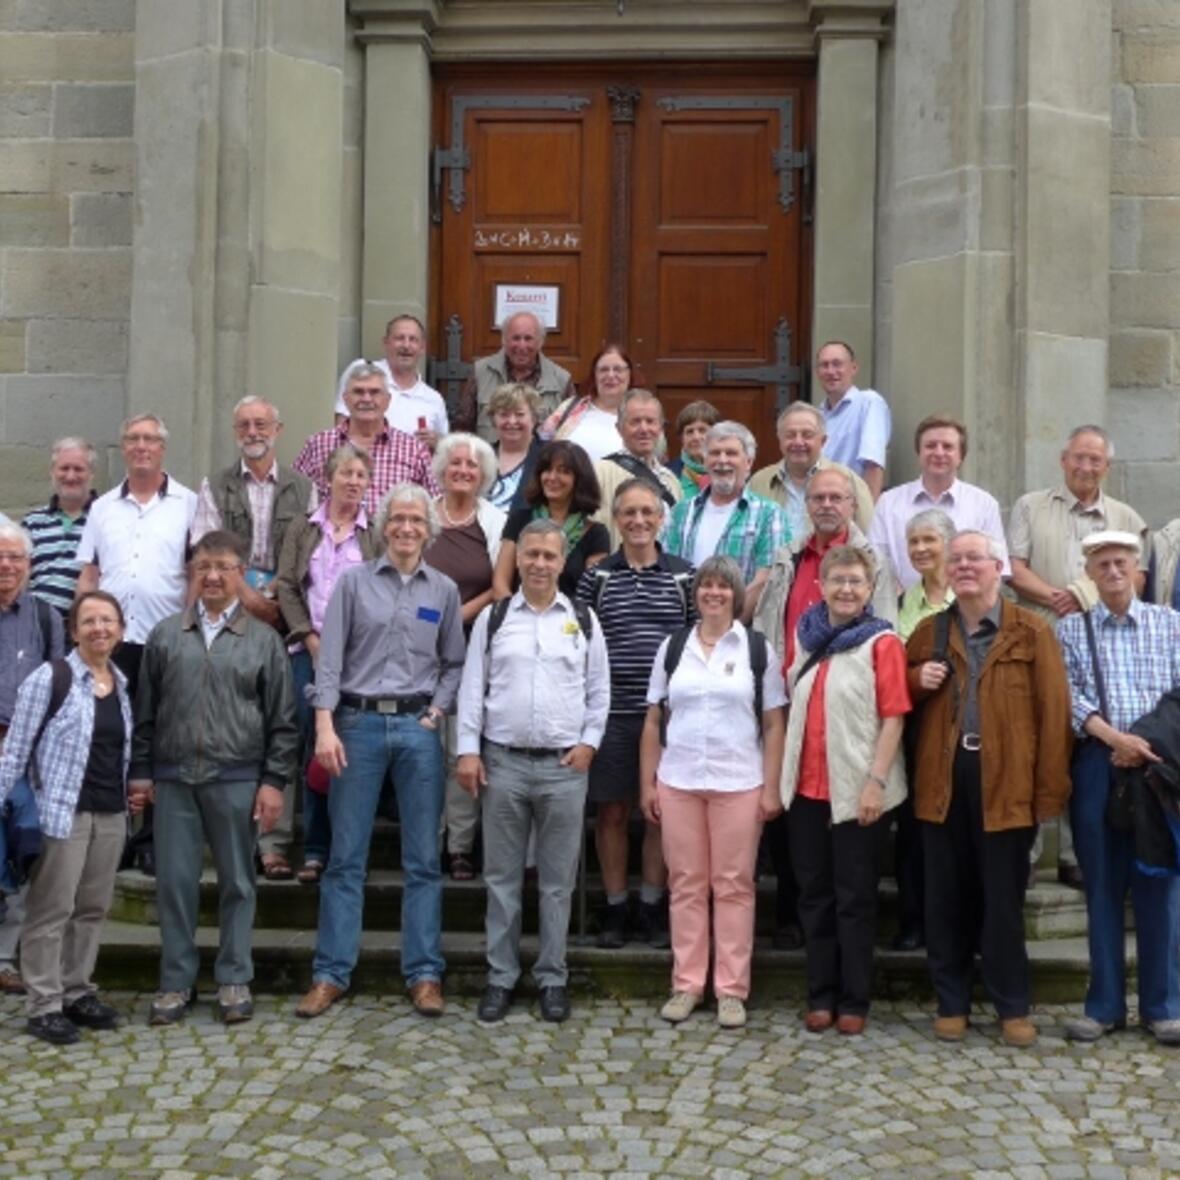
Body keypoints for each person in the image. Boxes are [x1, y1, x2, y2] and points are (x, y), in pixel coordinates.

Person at [296, 485, 464, 1021]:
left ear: (428, 530)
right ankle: (330, 973)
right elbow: (329, 660)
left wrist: (437, 711)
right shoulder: (353, 583)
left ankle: (425, 974)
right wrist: (325, 725)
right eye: (398, 518)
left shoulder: (444, 590)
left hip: (417, 729)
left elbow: (454, 662)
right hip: (357, 724)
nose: (407, 527)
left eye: (417, 519)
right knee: (346, 858)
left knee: (423, 860)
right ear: (385, 525)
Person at [906, 530, 1071, 1048]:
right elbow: (896, 701)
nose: (963, 566)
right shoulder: (930, 632)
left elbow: (1054, 715)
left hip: (1007, 784)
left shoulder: (1031, 631)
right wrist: (915, 680)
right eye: (956, 559)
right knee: (945, 900)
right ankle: (951, 1002)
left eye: (974, 558)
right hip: (942, 782)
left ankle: (1012, 1006)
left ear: (997, 567)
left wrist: (1048, 795)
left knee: (1002, 902)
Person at [132, 530, 297, 1026]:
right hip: (175, 778)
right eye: (204, 566)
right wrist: (141, 772)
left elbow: (283, 721)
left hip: (237, 776)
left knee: (238, 883)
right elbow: (145, 712)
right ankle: (175, 981)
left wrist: (273, 781)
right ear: (192, 573)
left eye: (224, 567)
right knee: (174, 884)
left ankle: (234, 977)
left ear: (241, 573)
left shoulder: (263, 640)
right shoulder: (165, 635)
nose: (213, 576)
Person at [456, 519, 609, 1024]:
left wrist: (589, 743)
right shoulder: (495, 618)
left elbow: (599, 691)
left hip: (564, 767)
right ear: (517, 559)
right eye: (532, 555)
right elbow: (472, 687)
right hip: (503, 762)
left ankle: (552, 977)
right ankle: (500, 977)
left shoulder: (583, 619)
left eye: (549, 555)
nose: (540, 564)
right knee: (501, 878)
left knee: (557, 882)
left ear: (563, 562)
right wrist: (468, 751)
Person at [640, 557, 786, 1029]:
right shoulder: (673, 646)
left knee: (734, 885)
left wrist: (771, 787)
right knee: (685, 883)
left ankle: (731, 989)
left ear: (737, 594)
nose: (714, 593)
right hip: (679, 779)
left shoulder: (757, 650)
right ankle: (687, 984)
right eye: (707, 585)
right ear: (696, 592)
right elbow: (654, 720)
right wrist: (647, 782)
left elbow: (773, 724)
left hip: (738, 782)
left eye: (724, 586)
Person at [753, 466, 895, 950]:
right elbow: (770, 621)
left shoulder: (873, 561)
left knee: (845, 841)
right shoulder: (788, 556)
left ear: (853, 504)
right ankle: (792, 916)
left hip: (849, 707)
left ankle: (841, 945)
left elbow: (885, 630)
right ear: (807, 505)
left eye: (837, 497)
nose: (827, 505)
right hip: (790, 702)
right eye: (818, 498)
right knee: (793, 816)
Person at [1008, 426, 1148, 890]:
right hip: (1037, 643)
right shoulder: (1030, 506)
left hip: (1100, 652)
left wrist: (1084, 595)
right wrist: (1058, 597)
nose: (1086, 467)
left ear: (1107, 467)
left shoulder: (1126, 517)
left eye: (1095, 460)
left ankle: (1073, 856)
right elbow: (1014, 568)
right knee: (1034, 744)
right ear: (1063, 459)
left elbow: (1138, 579)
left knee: (1082, 746)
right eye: (1078, 457)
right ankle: (1028, 852)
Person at [1057, 531, 1180, 1046]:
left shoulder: (1171, 624)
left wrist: (1143, 742)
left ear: (1137, 571)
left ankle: (1164, 1007)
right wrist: (1114, 738)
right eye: (1102, 564)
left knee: (1161, 883)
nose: (1112, 572)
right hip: (1098, 764)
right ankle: (1103, 1006)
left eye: (1120, 563)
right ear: (1088, 572)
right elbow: (1068, 696)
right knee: (1102, 886)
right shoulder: (1071, 630)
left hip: (1158, 767)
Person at [781, 546, 909, 1036]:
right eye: (838, 580)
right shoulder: (805, 635)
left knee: (854, 898)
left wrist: (875, 782)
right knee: (814, 896)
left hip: (859, 789)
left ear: (870, 588)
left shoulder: (882, 642)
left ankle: (854, 999)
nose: (847, 590)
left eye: (856, 581)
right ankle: (820, 995)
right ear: (822, 586)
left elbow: (894, 717)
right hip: (807, 787)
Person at [0, 590, 132, 1044]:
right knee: (51, 910)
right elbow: (16, 750)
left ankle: (77, 991)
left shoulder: (122, 684)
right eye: (89, 621)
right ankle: (44, 1004)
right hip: (62, 813)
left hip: (110, 812)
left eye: (107, 620)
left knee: (92, 909)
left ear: (121, 630)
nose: (99, 628)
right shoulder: (50, 678)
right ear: (73, 631)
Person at [75, 413, 197, 876]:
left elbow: (195, 572)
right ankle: (118, 835)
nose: (141, 446)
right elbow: (90, 573)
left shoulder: (188, 503)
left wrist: (187, 627)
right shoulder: (103, 507)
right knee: (113, 735)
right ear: (123, 447)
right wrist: (81, 630)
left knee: (161, 738)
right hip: (112, 643)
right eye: (133, 439)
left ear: (162, 448)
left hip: (165, 638)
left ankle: (152, 839)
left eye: (150, 439)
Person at [576, 479, 694, 949]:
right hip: (612, 714)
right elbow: (581, 642)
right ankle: (615, 907)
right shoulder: (598, 577)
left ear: (661, 518)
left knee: (661, 814)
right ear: (616, 518)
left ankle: (650, 905)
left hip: (668, 718)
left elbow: (695, 642)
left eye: (647, 512)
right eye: (629, 512)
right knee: (612, 811)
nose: (639, 521)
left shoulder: (684, 576)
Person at [274, 444, 382, 886]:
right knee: (313, 749)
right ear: (328, 478)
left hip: (358, 659)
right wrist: (309, 637)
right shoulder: (303, 528)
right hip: (310, 652)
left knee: (353, 753)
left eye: (361, 476)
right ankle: (316, 850)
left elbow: (382, 592)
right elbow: (286, 585)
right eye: (346, 474)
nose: (353, 482)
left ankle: (349, 850)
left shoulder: (375, 534)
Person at [423, 433, 506, 881]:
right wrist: (431, 621)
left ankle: (459, 846)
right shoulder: (421, 513)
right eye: (455, 463)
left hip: (472, 648)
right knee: (423, 748)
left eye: (472, 465)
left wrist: (453, 618)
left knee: (461, 746)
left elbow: (499, 585)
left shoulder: (495, 521)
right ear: (441, 469)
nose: (463, 471)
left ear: (484, 474)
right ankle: (425, 841)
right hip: (418, 648)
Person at [0, 523, 66, 997]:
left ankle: (6, 958)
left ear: (30, 564)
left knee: (25, 848)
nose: (6, 566)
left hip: (26, 755)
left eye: (15, 558)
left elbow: (61, 689)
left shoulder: (46, 617)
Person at [190, 396, 316, 630]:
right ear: (235, 431)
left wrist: (270, 594)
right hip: (227, 604)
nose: (251, 432)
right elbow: (205, 552)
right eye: (243, 425)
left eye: (260, 424)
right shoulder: (215, 486)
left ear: (277, 429)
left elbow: (307, 555)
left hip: (285, 609)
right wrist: (248, 597)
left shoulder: (305, 489)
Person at [893, 507, 956, 950]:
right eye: (913, 541)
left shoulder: (970, 596)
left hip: (961, 727)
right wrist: (914, 678)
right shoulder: (902, 602)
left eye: (929, 540)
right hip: (914, 726)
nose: (920, 549)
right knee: (913, 830)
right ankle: (913, 921)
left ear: (949, 544)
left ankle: (953, 926)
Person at [662, 421, 790, 623]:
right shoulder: (681, 512)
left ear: (748, 462)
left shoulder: (769, 514)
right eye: (715, 453)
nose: (722, 460)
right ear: (705, 461)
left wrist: (723, 629)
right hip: (685, 630)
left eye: (731, 453)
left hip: (740, 631)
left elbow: (765, 581)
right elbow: (666, 572)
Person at [869, 414, 1009, 592]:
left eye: (948, 447)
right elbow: (875, 563)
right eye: (930, 446)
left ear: (961, 456)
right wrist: (904, 601)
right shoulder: (888, 503)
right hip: (901, 605)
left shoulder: (983, 504)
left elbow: (998, 568)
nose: (939, 453)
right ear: (919, 453)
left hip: (966, 605)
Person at [294, 361, 439, 516]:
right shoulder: (318, 445)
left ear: (387, 400)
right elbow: (293, 497)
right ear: (345, 399)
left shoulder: (414, 450)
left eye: (374, 392)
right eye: (358, 392)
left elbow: (435, 506)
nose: (366, 399)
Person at [492, 440, 610, 601]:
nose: (552, 477)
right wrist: (516, 612)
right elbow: (500, 584)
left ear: (579, 479)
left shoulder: (595, 533)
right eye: (547, 470)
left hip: (571, 615)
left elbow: (593, 592)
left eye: (563, 471)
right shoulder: (519, 519)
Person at [748, 403, 873, 540]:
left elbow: (868, 536)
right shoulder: (759, 482)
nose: (798, 442)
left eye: (807, 435)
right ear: (780, 440)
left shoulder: (849, 480)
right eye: (790, 435)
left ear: (823, 441)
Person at [455, 311, 575, 442]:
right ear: (504, 340)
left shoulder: (561, 380)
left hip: (542, 455)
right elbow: (463, 427)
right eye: (516, 338)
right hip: (490, 454)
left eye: (528, 339)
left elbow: (572, 433)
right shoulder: (481, 372)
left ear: (540, 342)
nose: (522, 346)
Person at [334, 314, 449, 451]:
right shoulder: (362, 371)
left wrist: (437, 442)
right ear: (386, 343)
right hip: (361, 462)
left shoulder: (434, 399)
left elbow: (444, 452)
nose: (406, 345)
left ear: (422, 347)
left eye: (413, 339)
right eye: (400, 338)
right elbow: (340, 429)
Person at [590, 389, 682, 550]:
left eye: (650, 421)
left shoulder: (671, 480)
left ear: (661, 428)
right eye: (635, 422)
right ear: (619, 428)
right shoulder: (600, 473)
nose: (644, 429)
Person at [22, 437, 99, 619]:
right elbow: (19, 575)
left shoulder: (105, 518)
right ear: (52, 472)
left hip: (82, 623)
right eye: (64, 468)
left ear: (91, 474)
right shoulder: (32, 522)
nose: (70, 476)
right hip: (35, 622)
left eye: (78, 469)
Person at [814, 341, 890, 499]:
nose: (830, 371)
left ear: (853, 368)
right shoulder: (817, 416)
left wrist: (868, 511)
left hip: (852, 504)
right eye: (824, 365)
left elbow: (873, 464)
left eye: (837, 364)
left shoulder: (868, 403)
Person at [541, 342, 631, 460]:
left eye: (618, 369)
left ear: (629, 374)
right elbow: (542, 445)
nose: (610, 375)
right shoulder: (571, 407)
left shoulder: (642, 415)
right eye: (603, 370)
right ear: (595, 375)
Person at [487, 382, 545, 512]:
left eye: (519, 414)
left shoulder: (548, 457)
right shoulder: (480, 456)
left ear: (534, 418)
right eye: (504, 415)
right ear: (494, 419)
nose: (512, 421)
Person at [668, 400, 720, 498]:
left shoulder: (730, 470)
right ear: (682, 438)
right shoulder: (667, 475)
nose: (696, 437)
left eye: (702, 430)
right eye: (690, 431)